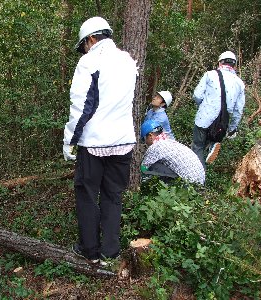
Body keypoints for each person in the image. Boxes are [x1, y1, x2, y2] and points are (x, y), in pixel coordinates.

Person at [63, 16, 137, 265]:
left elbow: (81, 107)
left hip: (94, 143)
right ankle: (111, 252)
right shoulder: (128, 60)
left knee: (86, 193)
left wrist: (69, 141)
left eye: (84, 44)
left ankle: (90, 250)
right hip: (123, 141)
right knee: (113, 195)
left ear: (91, 39)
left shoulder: (89, 61)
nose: (84, 49)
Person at [191, 51, 245, 168]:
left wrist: (202, 106)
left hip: (204, 118)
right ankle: (213, 143)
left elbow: (197, 95)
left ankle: (196, 181)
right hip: (221, 123)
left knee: (197, 147)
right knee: (205, 146)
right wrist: (232, 129)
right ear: (234, 65)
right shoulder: (239, 83)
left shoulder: (210, 74)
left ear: (220, 62)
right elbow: (238, 111)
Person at [140, 120, 205, 185]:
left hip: (189, 185)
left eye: (144, 139)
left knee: (153, 166)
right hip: (199, 181)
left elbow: (143, 168)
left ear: (150, 136)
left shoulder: (156, 146)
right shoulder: (170, 142)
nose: (145, 143)